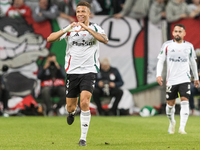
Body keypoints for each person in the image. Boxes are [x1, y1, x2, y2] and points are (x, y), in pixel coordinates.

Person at [47, 1, 108, 146]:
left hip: (89, 71)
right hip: (73, 72)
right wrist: (66, 29)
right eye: (78, 11)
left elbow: (104, 40)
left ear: (89, 13)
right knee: (71, 106)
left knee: (85, 102)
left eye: (83, 11)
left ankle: (83, 139)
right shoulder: (70, 29)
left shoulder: (95, 28)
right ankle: (71, 113)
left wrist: (87, 29)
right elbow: (50, 38)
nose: (80, 14)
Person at [156, 24, 199, 134]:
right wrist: (158, 75)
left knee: (185, 100)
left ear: (184, 33)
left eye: (180, 31)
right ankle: (172, 122)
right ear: (172, 33)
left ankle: (182, 128)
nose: (177, 33)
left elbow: (193, 63)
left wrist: (196, 78)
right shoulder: (167, 45)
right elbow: (161, 61)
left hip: (185, 78)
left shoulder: (189, 46)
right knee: (170, 105)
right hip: (171, 80)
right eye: (176, 31)